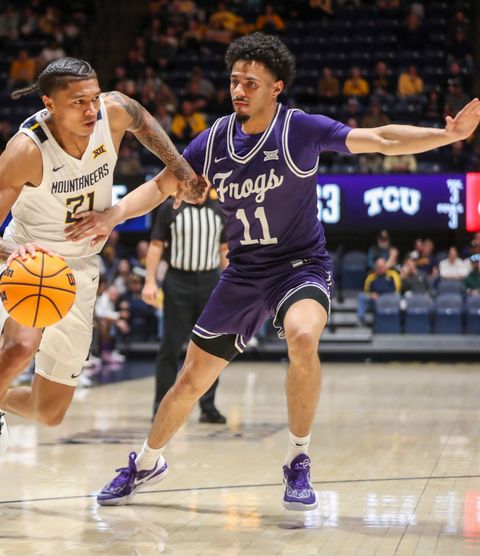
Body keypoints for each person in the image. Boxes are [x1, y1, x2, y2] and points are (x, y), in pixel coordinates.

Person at [72, 32, 480, 510]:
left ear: (276, 87)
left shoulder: (300, 129)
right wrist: (112, 215)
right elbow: (163, 184)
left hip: (300, 265)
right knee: (189, 381)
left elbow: (381, 138)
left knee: (302, 337)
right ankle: (146, 462)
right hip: (244, 271)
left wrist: (448, 135)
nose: (239, 90)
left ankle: (298, 459)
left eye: (250, 82)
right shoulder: (215, 138)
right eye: (234, 81)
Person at [0, 56, 207, 519]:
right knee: (17, 349)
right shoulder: (26, 150)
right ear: (49, 104)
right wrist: (13, 255)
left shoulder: (115, 111)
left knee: (50, 412)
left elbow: (146, 124)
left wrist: (181, 168)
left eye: (93, 98)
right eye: (77, 103)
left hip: (82, 272)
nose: (91, 111)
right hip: (30, 264)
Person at [144, 191, 228, 423]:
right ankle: (160, 405)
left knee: (211, 348)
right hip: (177, 281)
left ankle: (208, 406)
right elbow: (156, 244)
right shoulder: (170, 207)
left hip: (210, 282)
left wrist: (230, 286)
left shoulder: (220, 209)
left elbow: (224, 250)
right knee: (170, 346)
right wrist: (150, 280)